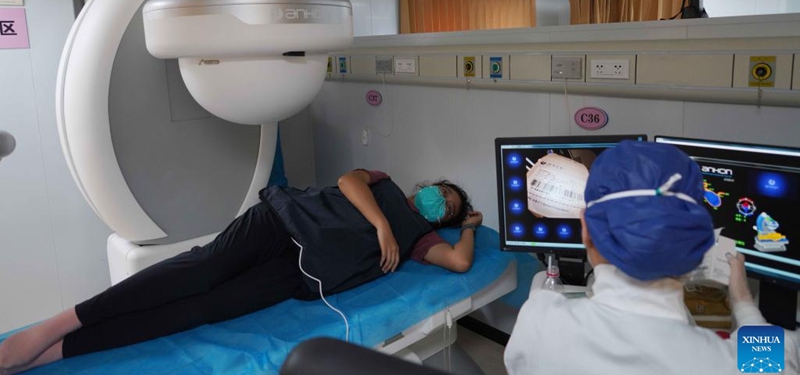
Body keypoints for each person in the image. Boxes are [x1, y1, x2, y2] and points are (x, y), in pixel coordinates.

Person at [0, 169, 483, 375]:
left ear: (441, 217)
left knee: (201, 309)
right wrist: (381, 225)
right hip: (279, 223)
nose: (438, 199)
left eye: (447, 205)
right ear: (425, 184)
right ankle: (59, 324)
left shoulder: (424, 240)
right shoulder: (385, 184)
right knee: (201, 271)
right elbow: (346, 181)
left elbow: (460, 262)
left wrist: (471, 226)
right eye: (440, 190)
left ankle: (57, 352)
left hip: (299, 274)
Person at [504, 141, 799, 375]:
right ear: (696, 242)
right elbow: (778, 355)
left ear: (586, 230)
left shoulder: (539, 321)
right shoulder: (731, 364)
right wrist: (744, 302)